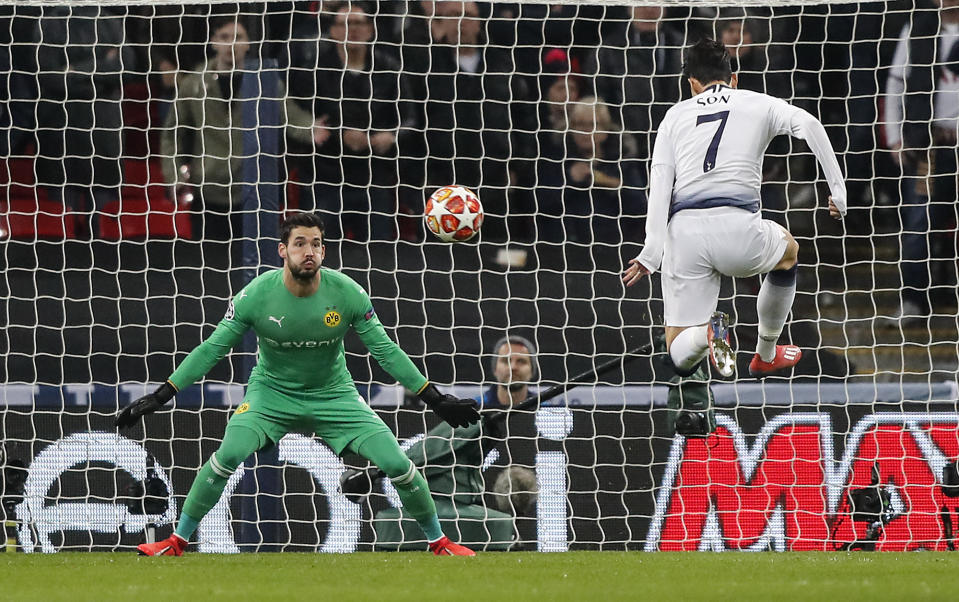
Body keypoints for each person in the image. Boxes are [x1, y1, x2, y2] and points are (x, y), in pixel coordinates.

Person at [115, 212, 481, 557]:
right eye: (300, 243)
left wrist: (433, 396)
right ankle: (177, 541)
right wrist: (165, 392)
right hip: (270, 394)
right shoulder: (256, 295)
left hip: (334, 395)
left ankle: (439, 542)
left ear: (324, 250)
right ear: (283, 250)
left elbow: (385, 351)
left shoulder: (347, 294)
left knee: (398, 464)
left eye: (317, 244)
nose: (309, 252)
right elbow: (213, 348)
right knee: (227, 456)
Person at [622, 38, 846, 380]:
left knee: (679, 351)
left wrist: (651, 252)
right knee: (788, 252)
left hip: (684, 234)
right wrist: (838, 190)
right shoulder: (757, 103)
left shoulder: (674, 115)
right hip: (739, 228)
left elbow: (660, 185)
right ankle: (767, 353)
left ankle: (706, 334)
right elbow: (811, 126)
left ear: (691, 84)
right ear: (734, 79)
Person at [342, 335, 539, 551]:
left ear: (532, 369)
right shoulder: (473, 409)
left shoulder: (544, 408)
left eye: (521, 361)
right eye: (506, 360)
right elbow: (436, 445)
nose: (513, 367)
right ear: (495, 368)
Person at [161, 17, 329, 241]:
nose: (231, 43)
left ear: (249, 43)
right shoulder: (193, 83)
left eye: (238, 37)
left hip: (253, 191)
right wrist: (174, 175)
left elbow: (289, 114)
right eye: (224, 37)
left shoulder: (264, 81)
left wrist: (310, 129)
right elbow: (173, 134)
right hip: (209, 189)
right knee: (210, 265)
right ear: (213, 42)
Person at [286, 3, 411, 241]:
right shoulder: (313, 71)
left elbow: (411, 117)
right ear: (332, 31)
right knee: (322, 257)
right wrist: (337, 134)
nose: (352, 29)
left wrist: (392, 135)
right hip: (325, 178)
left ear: (371, 29)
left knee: (379, 257)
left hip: (374, 179)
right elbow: (298, 119)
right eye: (344, 24)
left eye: (358, 23)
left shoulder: (389, 68)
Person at [883, 0, 959, 324]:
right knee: (918, 223)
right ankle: (913, 300)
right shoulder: (916, 29)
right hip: (927, 147)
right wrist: (894, 135)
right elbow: (896, 81)